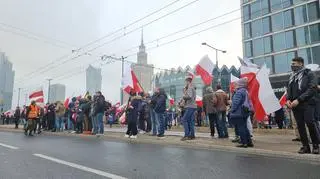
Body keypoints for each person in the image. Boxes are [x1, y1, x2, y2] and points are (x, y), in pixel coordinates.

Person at [286, 57, 319, 154]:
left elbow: (312, 88)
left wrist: (299, 99)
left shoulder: (309, 74)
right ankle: (305, 146)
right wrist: (288, 99)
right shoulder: (292, 76)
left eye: (294, 63)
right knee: (300, 126)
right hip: (295, 105)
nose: (292, 65)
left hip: (308, 103)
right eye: (292, 63)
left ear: (301, 64)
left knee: (310, 123)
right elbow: (288, 90)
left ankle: (316, 146)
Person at [230, 78, 253, 148]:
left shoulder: (239, 92)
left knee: (241, 128)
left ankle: (244, 143)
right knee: (245, 127)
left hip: (239, 112)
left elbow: (236, 103)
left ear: (240, 84)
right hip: (245, 112)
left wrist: (232, 110)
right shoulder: (246, 91)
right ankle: (249, 142)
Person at [181, 75, 197, 141]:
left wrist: (184, 96)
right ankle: (192, 135)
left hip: (190, 106)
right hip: (193, 106)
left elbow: (189, 96)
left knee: (184, 120)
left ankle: (186, 135)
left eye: (186, 81)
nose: (185, 82)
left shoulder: (190, 87)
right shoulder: (192, 87)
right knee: (190, 121)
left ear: (188, 81)